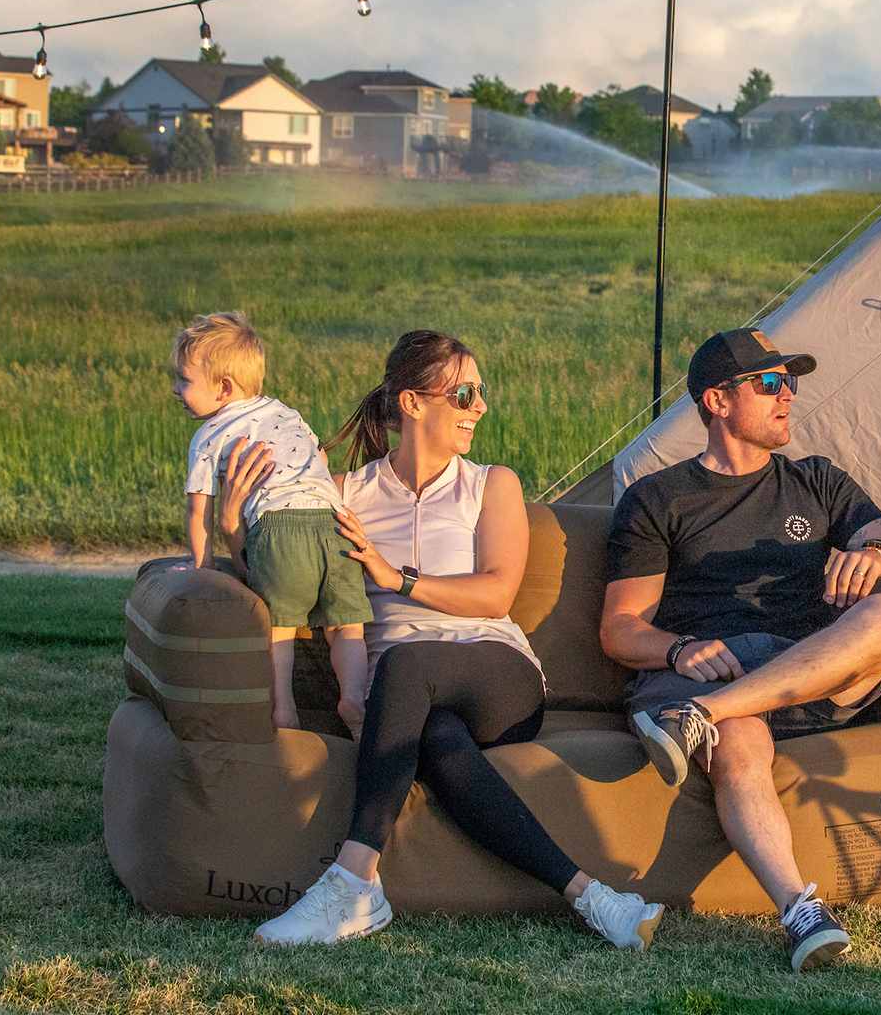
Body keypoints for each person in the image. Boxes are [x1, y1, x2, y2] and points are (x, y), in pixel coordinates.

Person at [226, 330, 665, 951]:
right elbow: (286, 575)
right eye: (464, 394)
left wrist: (395, 578)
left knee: (404, 663)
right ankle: (596, 900)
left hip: (497, 677)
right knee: (435, 739)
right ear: (412, 402)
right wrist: (231, 526)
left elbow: (496, 595)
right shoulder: (345, 493)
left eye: (480, 393)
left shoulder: (491, 484)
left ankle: (351, 883)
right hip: (406, 700)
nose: (479, 406)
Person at [599, 328, 881, 972]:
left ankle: (700, 718)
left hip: (808, 674)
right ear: (718, 401)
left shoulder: (817, 481)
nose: (788, 396)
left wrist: (880, 555)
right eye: (771, 383)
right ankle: (802, 913)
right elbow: (620, 629)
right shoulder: (659, 499)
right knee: (741, 739)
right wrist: (678, 650)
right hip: (712, 670)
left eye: (790, 382)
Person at [171, 310, 368, 738]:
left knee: (278, 629)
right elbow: (321, 458)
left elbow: (198, 511)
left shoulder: (208, 436)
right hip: (335, 524)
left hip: (281, 530)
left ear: (223, 388)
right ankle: (354, 697)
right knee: (346, 626)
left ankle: (284, 709)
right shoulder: (286, 412)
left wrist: (202, 564)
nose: (175, 389)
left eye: (183, 380)